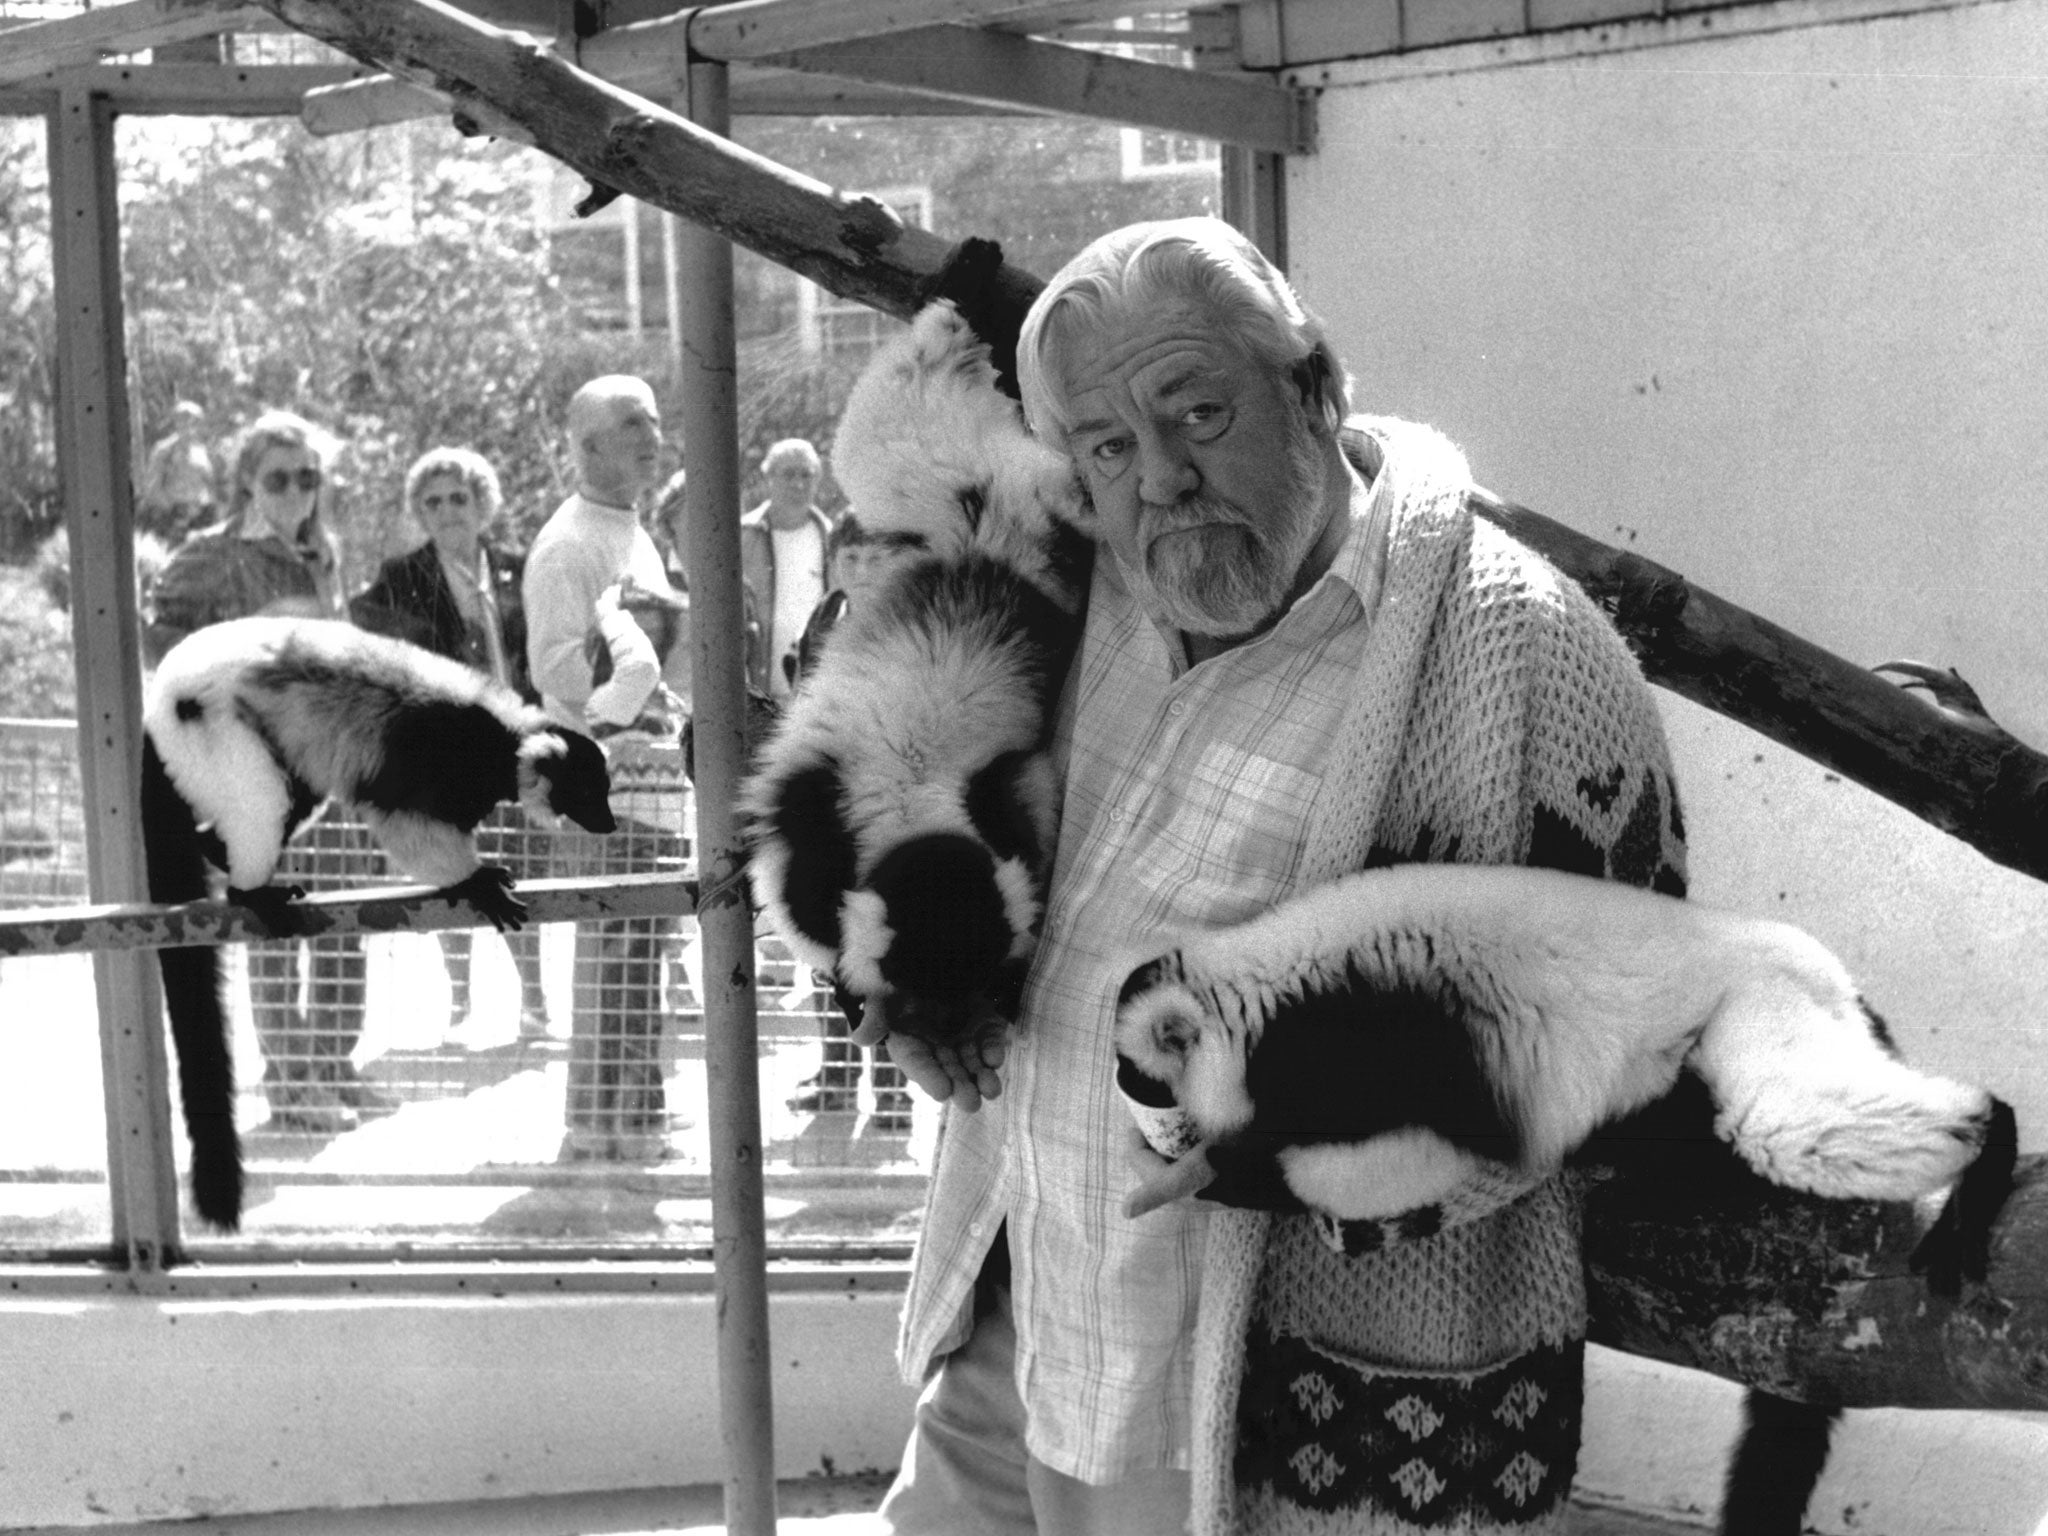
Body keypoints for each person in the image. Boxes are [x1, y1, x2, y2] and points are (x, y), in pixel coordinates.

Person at [848, 219, 1688, 1535]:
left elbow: (1614, 1027)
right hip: (1022, 1298)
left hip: (1249, 1395)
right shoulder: (1078, 585)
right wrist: (926, 982)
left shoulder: (1518, 650)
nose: (1164, 479)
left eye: (1200, 412)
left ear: (1317, 387)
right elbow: (918, 793)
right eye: (1111, 447)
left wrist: (1304, 1138)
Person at [147, 408, 392, 1135]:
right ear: (248, 483)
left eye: (307, 478)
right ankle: (290, 1081)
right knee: (275, 920)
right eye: (278, 478)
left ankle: (332, 1064)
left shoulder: (326, 552)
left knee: (347, 922)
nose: (294, 492)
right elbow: (158, 635)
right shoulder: (211, 553)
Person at [523, 375, 692, 1162]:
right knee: (614, 954)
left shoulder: (629, 528)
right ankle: (597, 1123)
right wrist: (624, 712)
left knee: (642, 948)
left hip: (650, 782)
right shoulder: (569, 543)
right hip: (605, 787)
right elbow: (557, 666)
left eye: (654, 419)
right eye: (631, 423)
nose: (651, 434)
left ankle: (638, 1113)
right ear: (587, 446)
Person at [349, 446, 552, 1042]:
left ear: (481, 503)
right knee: (450, 868)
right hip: (440, 755)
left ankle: (535, 1003)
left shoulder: (518, 566)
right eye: (432, 502)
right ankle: (461, 1004)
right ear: (419, 511)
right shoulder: (401, 578)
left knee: (524, 872)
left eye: (458, 499)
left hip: (515, 746)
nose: (447, 512)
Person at [781, 515, 919, 1130]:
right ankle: (837, 1075)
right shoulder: (823, 619)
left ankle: (893, 1090)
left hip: (885, 809)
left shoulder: (904, 626)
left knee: (885, 950)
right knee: (824, 953)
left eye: (874, 558)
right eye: (850, 558)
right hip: (828, 813)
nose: (861, 572)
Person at [738, 437, 832, 699]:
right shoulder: (743, 536)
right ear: (769, 478)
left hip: (814, 690)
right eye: (788, 474)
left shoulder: (831, 538)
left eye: (806, 474)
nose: (798, 483)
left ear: (818, 480)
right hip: (757, 687)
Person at [137, 400, 218, 542]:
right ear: (176, 423)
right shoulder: (164, 450)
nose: (188, 425)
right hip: (170, 519)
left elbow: (209, 487)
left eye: (194, 421)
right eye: (183, 420)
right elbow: (153, 488)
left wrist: (205, 511)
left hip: (197, 518)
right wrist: (175, 515)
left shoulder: (201, 452)